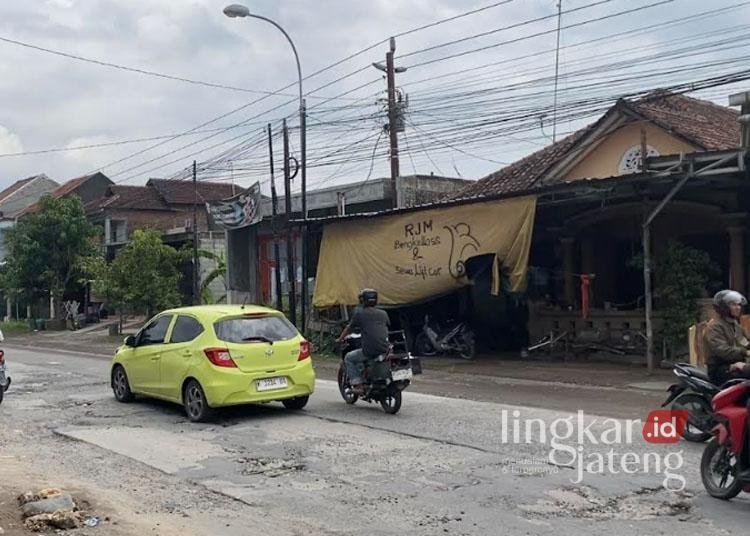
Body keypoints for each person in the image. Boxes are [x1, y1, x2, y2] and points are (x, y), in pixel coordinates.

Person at [337, 289, 390, 395]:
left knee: (348, 358)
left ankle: (358, 385)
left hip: (370, 350)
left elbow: (349, 328)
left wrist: (340, 339)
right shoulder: (383, 313)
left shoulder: (359, 314)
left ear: (362, 301)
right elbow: (386, 326)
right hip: (385, 349)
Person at [704, 289, 750, 386]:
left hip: (736, 365)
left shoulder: (735, 325)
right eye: (733, 305)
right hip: (720, 369)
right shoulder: (715, 326)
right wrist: (745, 352)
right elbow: (722, 350)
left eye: (739, 305)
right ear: (723, 307)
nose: (738, 308)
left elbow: (745, 341)